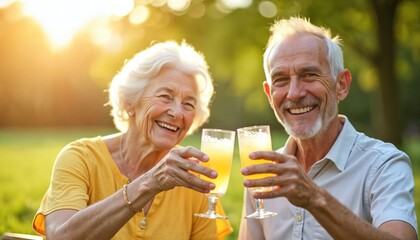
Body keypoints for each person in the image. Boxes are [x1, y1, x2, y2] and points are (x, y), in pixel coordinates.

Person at [238, 17, 418, 240]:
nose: (294, 93)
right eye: (281, 79)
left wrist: (314, 198)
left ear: (341, 85)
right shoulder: (264, 172)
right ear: (269, 94)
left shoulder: (384, 165)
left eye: (309, 75)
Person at [32, 40, 233, 240]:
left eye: (188, 104)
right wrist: (149, 183)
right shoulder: (81, 158)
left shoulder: (194, 179)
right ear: (130, 102)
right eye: (165, 96)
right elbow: (60, 237)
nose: (177, 112)